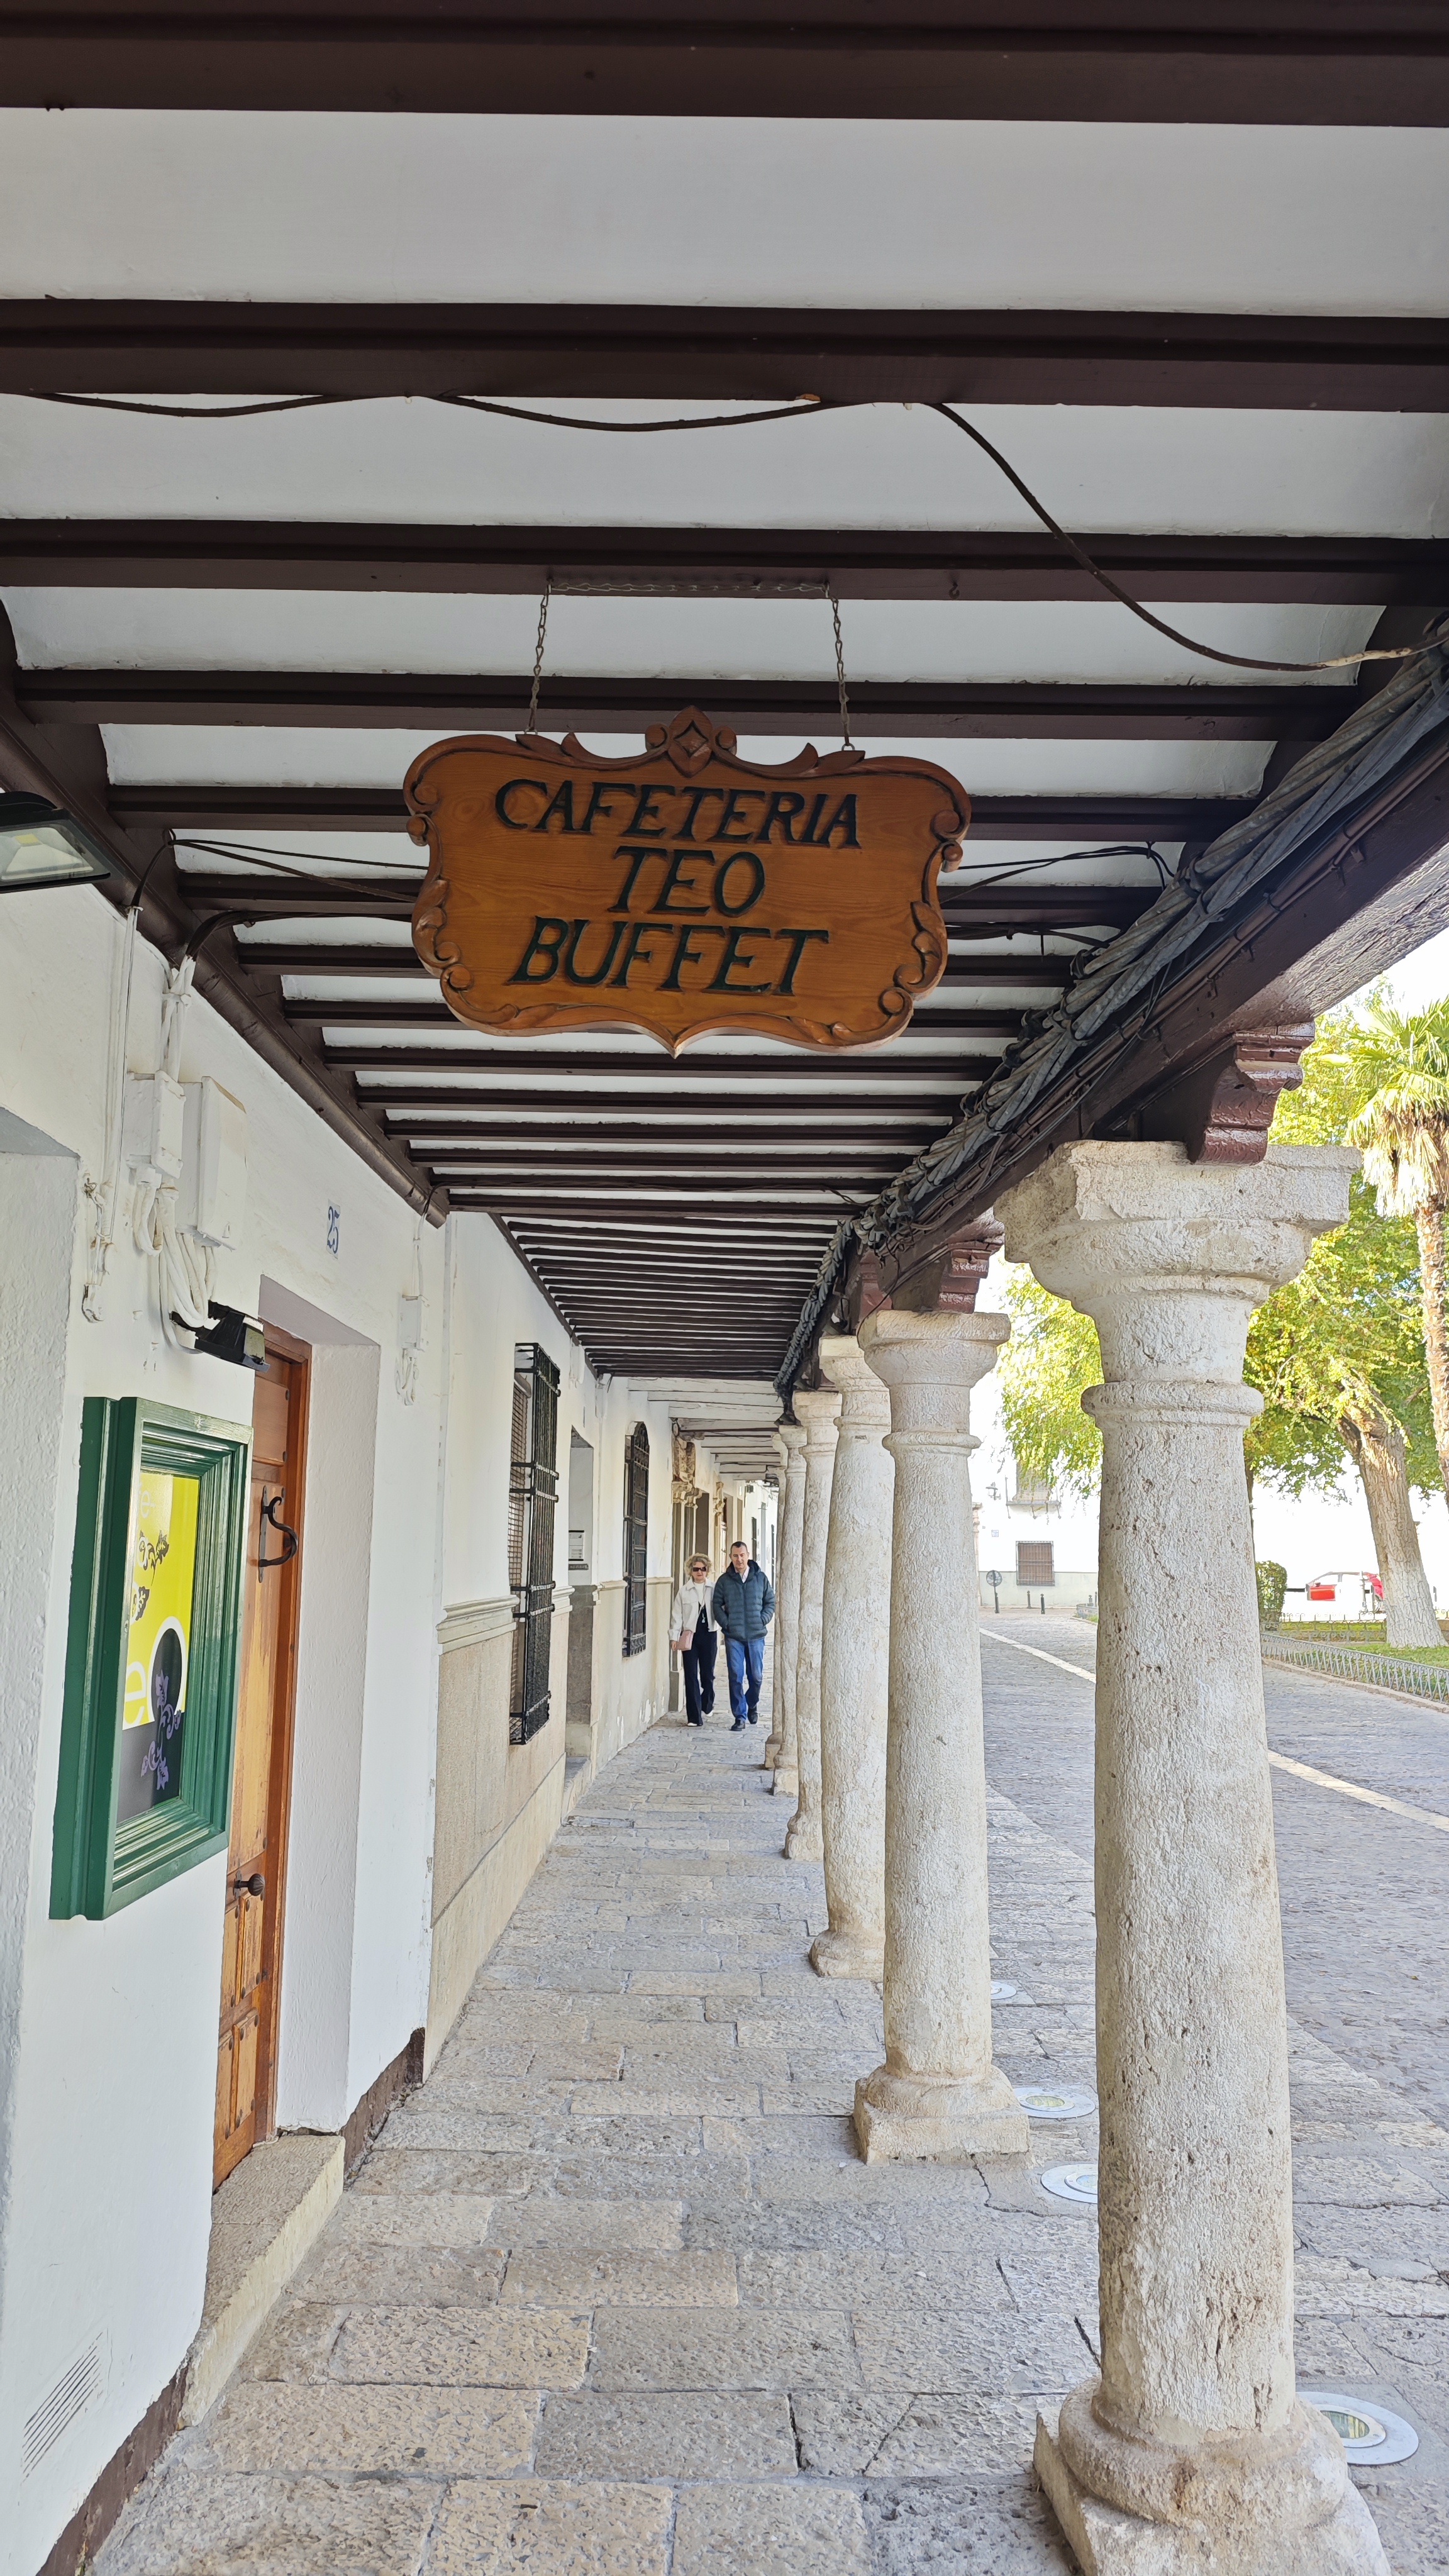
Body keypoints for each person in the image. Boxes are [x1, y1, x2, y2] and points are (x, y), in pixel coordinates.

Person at [712, 1537, 775, 1730]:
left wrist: (762, 1619)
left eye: (742, 1555)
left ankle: (752, 1702)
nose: (739, 1559)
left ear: (748, 1556)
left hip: (756, 1635)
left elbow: (770, 1603)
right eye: (735, 1556)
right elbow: (716, 1604)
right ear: (730, 1557)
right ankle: (740, 1716)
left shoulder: (760, 1578)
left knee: (756, 1676)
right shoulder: (724, 1581)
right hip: (734, 1637)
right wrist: (727, 1623)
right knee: (736, 1676)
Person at [670, 1555, 718, 1728]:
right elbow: (677, 1615)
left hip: (709, 1634)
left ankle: (707, 1702)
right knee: (690, 1675)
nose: (699, 1572)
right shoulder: (684, 1591)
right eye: (696, 1569)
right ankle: (694, 1717)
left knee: (707, 1675)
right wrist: (674, 1637)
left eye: (703, 1569)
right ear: (690, 1570)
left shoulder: (714, 1588)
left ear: (707, 1570)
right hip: (690, 1636)